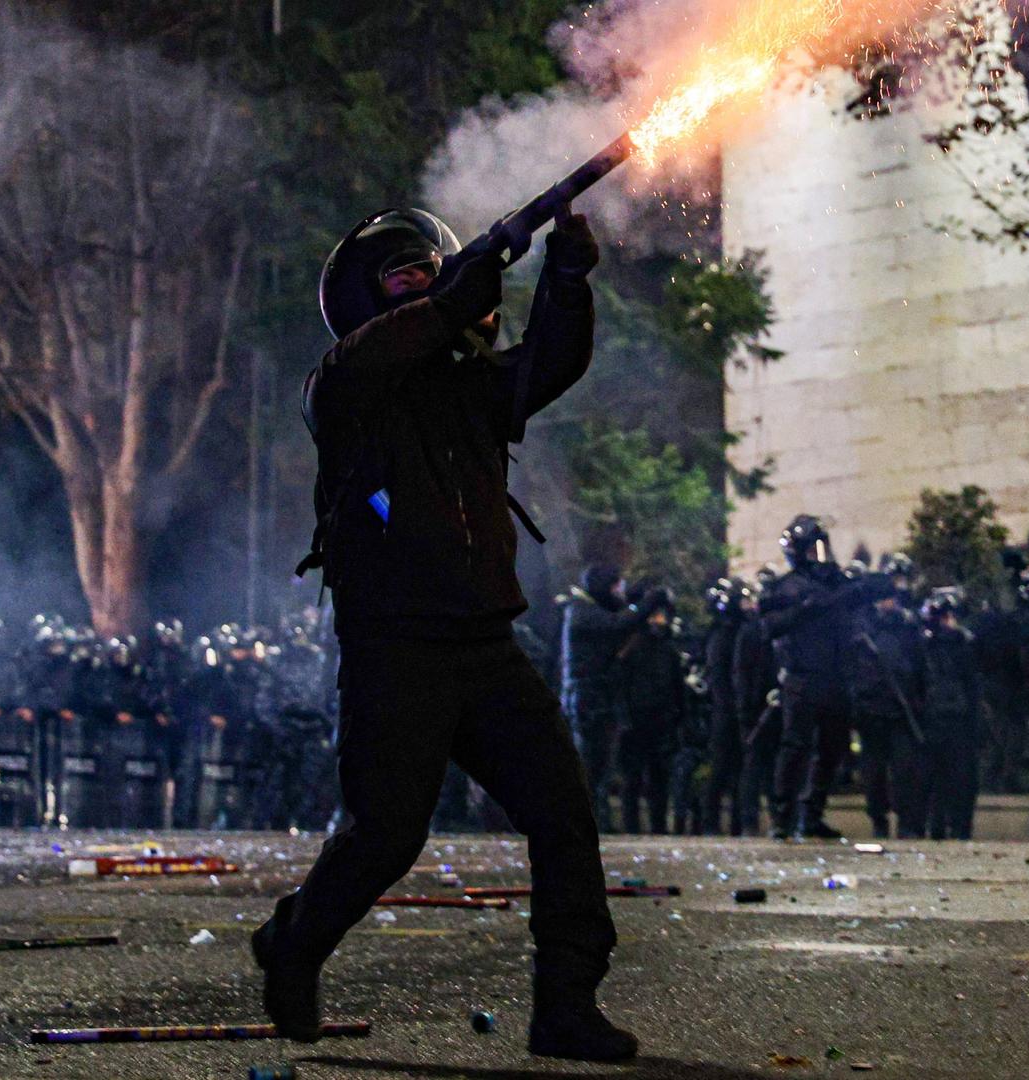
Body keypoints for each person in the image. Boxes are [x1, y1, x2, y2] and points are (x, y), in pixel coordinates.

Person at [255, 207, 636, 1061]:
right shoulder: (343, 385)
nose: (424, 284)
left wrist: (569, 281)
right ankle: (294, 943)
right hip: (395, 645)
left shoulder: (468, 386)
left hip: (485, 641)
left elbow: (546, 366)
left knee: (563, 813)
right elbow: (381, 354)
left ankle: (566, 1004)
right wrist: (446, 305)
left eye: (430, 272)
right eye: (402, 280)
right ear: (367, 303)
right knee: (386, 835)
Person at [760, 515, 894, 839]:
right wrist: (805, 609)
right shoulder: (787, 587)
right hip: (802, 678)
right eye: (811, 549)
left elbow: (880, 586)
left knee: (833, 748)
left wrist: (852, 590)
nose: (818, 555)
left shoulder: (836, 582)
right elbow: (769, 623)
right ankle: (783, 817)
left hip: (835, 678)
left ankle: (812, 814)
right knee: (795, 748)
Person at [558, 564, 643, 830]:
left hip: (598, 698)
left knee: (601, 764)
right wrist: (646, 604)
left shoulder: (588, 611)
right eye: (616, 586)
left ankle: (598, 819)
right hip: (586, 699)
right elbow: (617, 624)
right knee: (589, 762)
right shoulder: (581, 612)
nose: (619, 592)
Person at [849, 574, 926, 839]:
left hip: (901, 711)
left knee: (906, 769)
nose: (890, 603)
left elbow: (919, 666)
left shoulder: (906, 625)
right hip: (871, 711)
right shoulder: (860, 628)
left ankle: (907, 823)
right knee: (874, 773)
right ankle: (879, 821)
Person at [615, 586, 684, 834]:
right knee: (633, 778)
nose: (660, 621)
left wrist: (678, 718)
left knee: (659, 778)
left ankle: (658, 826)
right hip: (636, 721)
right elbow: (621, 684)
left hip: (661, 722)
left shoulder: (668, 650)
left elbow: (677, 688)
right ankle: (632, 826)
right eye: (655, 616)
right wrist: (624, 718)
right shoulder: (633, 647)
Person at [918, 590, 985, 840]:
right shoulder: (927, 648)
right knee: (940, 780)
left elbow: (973, 686)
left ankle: (957, 828)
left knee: (960, 780)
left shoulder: (964, 646)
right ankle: (941, 827)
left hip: (957, 723)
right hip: (937, 723)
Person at [701, 577, 753, 835]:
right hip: (727, 713)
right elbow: (720, 679)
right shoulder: (722, 638)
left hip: (736, 710)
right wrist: (732, 708)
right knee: (722, 768)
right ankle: (711, 822)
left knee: (740, 771)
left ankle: (736, 823)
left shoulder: (738, 634)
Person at [731, 571, 780, 836]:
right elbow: (742, 674)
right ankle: (751, 821)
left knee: (771, 768)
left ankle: (775, 817)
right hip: (755, 711)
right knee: (754, 767)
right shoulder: (751, 633)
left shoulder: (770, 631)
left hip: (772, 708)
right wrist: (746, 710)